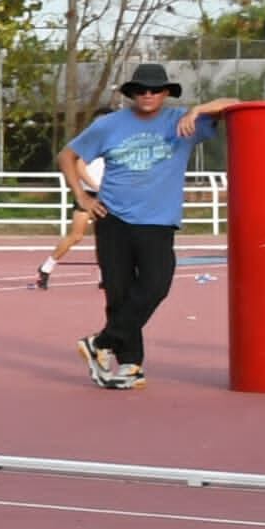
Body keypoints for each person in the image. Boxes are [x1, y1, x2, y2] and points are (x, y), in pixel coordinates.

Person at [59, 62, 210, 388]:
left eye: (155, 89)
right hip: (112, 219)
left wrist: (197, 110)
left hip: (158, 222)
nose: (148, 94)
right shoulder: (110, 125)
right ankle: (130, 366)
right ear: (131, 93)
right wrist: (83, 198)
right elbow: (67, 156)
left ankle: (99, 344)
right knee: (119, 293)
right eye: (141, 89)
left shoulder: (182, 122)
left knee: (156, 285)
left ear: (167, 93)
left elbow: (235, 106)